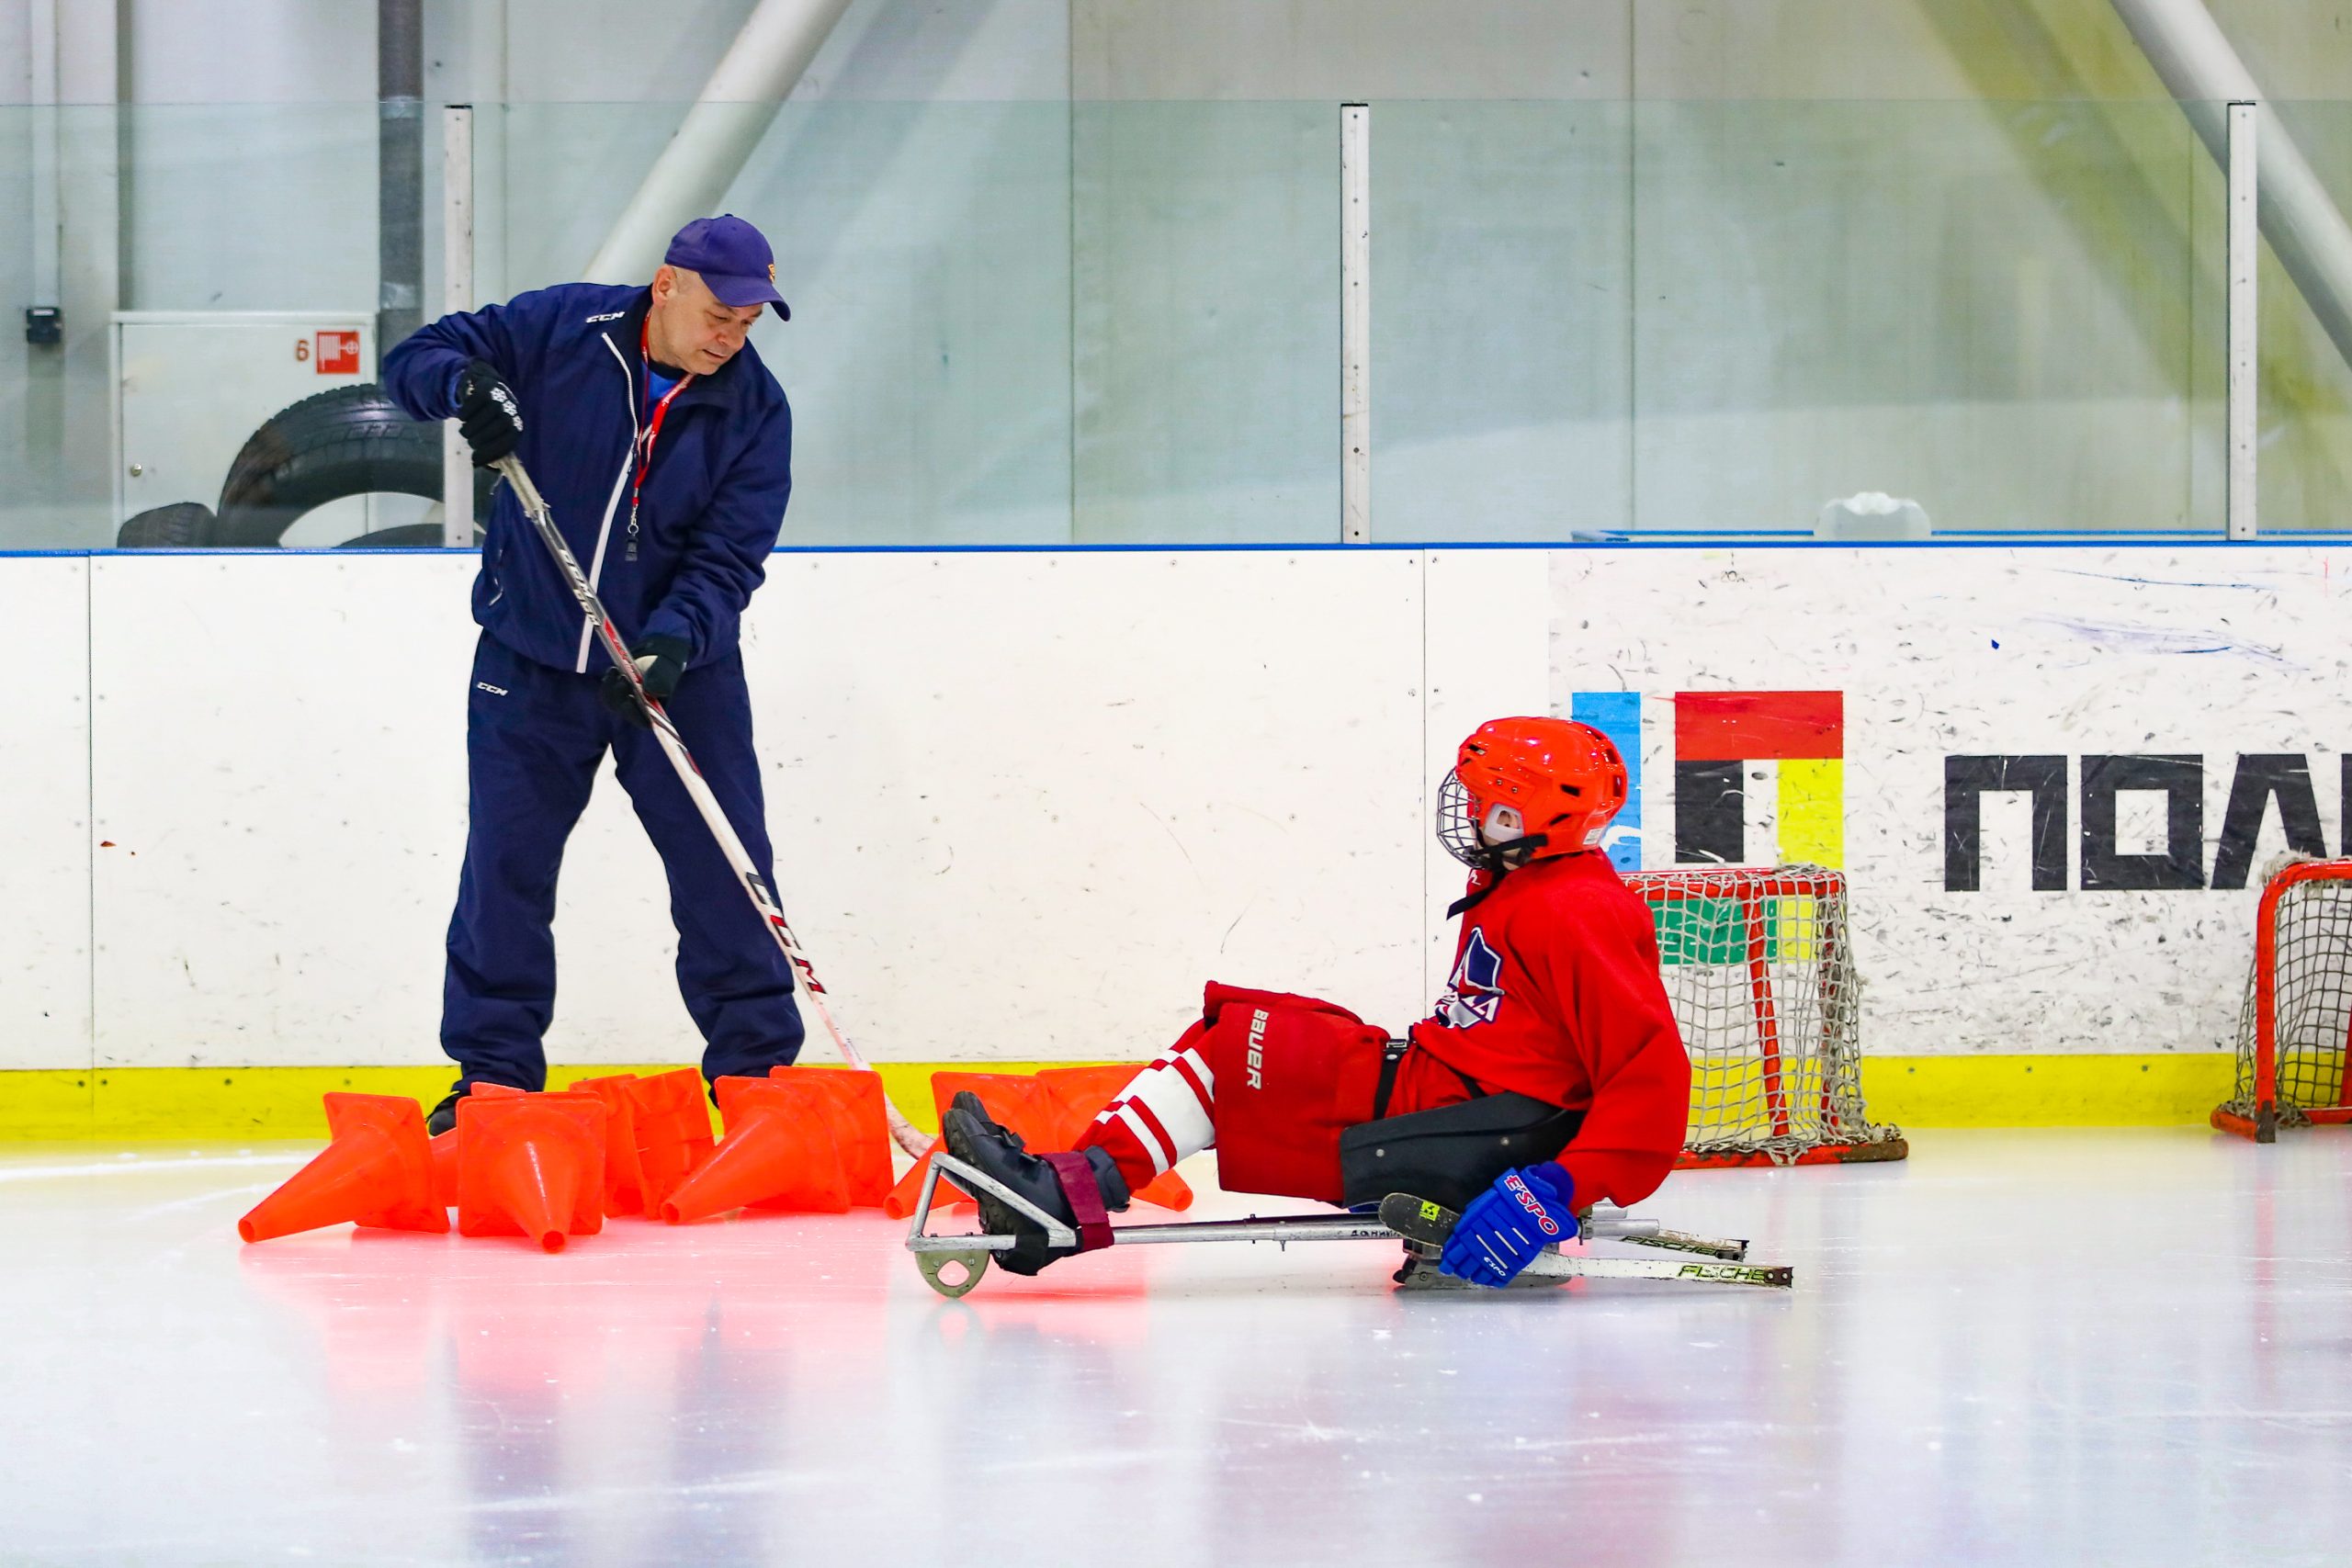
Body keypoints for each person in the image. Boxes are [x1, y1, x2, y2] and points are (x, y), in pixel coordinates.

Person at [943, 716, 1692, 1289]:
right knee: (1232, 1025)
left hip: (1470, 1118)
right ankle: (1068, 1185)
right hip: (1445, 1088)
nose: (1466, 810)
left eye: (1485, 801)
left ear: (1520, 820)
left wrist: (1554, 1188)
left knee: (1241, 1047)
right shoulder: (1531, 884)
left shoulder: (1576, 911)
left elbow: (1651, 1080)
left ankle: (1057, 1202)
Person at [381, 214, 803, 1134]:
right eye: (720, 314)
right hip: (530, 663)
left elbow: (730, 557)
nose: (730, 336)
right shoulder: (557, 329)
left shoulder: (754, 411)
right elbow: (414, 357)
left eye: (747, 322)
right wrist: (464, 384)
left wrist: (675, 641)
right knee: (506, 873)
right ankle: (492, 1078)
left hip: (679, 672)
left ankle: (760, 1085)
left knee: (729, 874)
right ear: (667, 286)